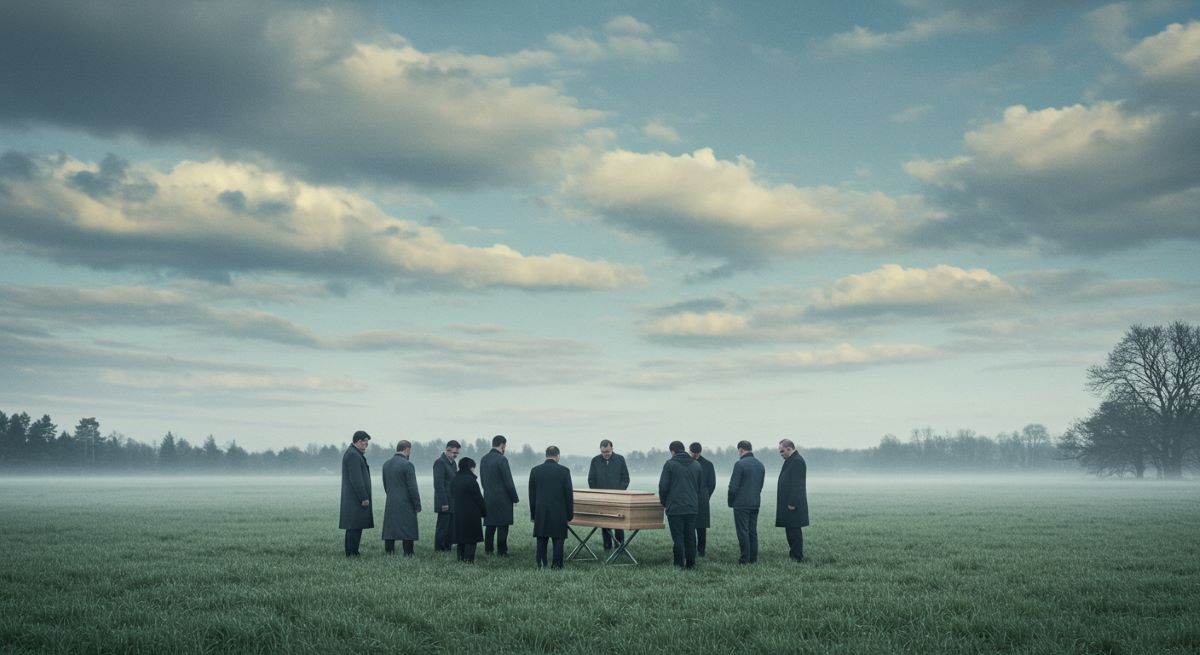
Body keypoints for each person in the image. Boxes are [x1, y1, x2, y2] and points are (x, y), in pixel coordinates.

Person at [658, 440, 701, 569]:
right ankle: (691, 564)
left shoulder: (670, 464)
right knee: (690, 536)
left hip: (675, 507)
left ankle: (678, 564)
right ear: (684, 449)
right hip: (692, 507)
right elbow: (699, 487)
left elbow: (663, 486)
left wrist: (664, 502)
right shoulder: (697, 465)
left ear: (672, 451)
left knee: (678, 537)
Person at [529, 445, 573, 569]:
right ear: (558, 456)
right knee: (558, 539)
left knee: (541, 538)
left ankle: (541, 564)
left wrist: (533, 514)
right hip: (559, 511)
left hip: (541, 511)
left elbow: (532, 495)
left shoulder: (535, 470)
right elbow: (568, 494)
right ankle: (557, 565)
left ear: (546, 455)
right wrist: (570, 514)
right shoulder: (564, 471)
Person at [587, 439, 630, 550]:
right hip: (601, 498)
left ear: (612, 449)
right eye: (603, 452)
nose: (605, 454)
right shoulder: (595, 460)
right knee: (605, 522)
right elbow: (591, 480)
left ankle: (620, 546)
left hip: (618, 497)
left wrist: (618, 492)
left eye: (607, 452)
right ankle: (607, 546)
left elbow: (625, 478)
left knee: (619, 522)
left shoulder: (620, 459)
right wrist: (598, 494)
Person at [481, 435, 519, 556]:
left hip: (488, 497)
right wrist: (514, 498)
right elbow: (508, 480)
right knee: (503, 525)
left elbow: (482, 479)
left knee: (490, 525)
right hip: (503, 499)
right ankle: (502, 551)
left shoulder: (484, 459)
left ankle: (488, 549)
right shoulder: (502, 459)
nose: (505, 448)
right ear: (502, 445)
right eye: (505, 446)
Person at [727, 440, 765, 564]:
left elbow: (733, 487)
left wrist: (731, 501)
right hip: (755, 502)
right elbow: (760, 486)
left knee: (742, 531)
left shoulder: (740, 464)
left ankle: (744, 559)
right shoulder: (760, 465)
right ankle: (753, 559)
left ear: (741, 450)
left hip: (741, 504)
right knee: (752, 531)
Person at [381, 439, 421, 556]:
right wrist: (417, 504)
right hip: (406, 502)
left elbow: (385, 484)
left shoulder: (386, 464)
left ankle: (389, 552)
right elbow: (413, 487)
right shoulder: (408, 465)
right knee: (408, 528)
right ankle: (408, 553)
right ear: (407, 449)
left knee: (390, 528)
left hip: (391, 500)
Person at [339, 430, 374, 557]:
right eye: (364, 443)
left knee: (355, 525)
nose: (366, 445)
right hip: (355, 499)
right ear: (357, 442)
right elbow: (356, 478)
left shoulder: (354, 453)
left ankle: (353, 551)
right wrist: (363, 497)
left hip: (354, 498)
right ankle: (352, 553)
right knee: (354, 526)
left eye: (367, 443)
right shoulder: (353, 455)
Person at [776, 439, 810, 562]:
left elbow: (797, 485)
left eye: (782, 451)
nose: (781, 454)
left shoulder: (797, 461)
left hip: (793, 506)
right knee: (791, 531)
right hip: (789, 504)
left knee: (794, 532)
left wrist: (792, 503)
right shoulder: (791, 460)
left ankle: (797, 557)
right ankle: (794, 555)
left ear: (789, 448)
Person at [451, 457, 487, 563]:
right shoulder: (471, 480)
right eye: (473, 468)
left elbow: (452, 494)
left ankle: (460, 559)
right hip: (472, 514)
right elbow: (479, 498)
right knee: (471, 539)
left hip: (458, 512)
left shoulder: (455, 479)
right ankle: (469, 560)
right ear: (470, 467)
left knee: (460, 539)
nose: (473, 470)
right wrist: (484, 511)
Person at [688, 442, 716, 557]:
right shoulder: (687, 462)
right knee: (689, 527)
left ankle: (701, 551)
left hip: (702, 499)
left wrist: (705, 496)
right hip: (691, 498)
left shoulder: (708, 464)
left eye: (697, 453)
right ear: (689, 450)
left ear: (700, 452)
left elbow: (712, 484)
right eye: (693, 453)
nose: (694, 455)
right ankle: (692, 550)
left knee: (701, 528)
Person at [432, 440, 460, 552]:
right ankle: (439, 548)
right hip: (444, 501)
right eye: (454, 453)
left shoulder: (453, 463)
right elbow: (439, 484)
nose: (456, 455)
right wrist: (444, 502)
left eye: (457, 453)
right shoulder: (440, 463)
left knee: (450, 527)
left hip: (453, 500)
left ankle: (447, 547)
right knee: (443, 526)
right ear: (447, 450)